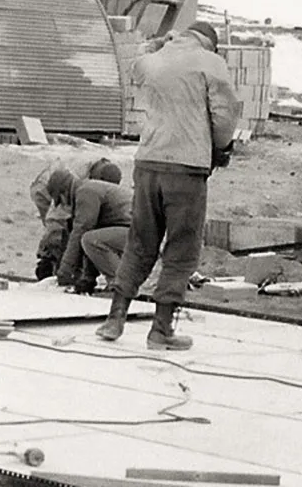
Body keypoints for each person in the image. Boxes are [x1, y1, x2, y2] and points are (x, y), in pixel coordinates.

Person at [98, 20, 240, 350]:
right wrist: (219, 148)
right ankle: (160, 330)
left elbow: (136, 61)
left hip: (147, 162)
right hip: (186, 168)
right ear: (210, 44)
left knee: (139, 242)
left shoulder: (155, 59)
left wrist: (159, 42)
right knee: (181, 249)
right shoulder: (211, 62)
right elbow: (225, 118)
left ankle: (114, 319)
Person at [45, 164, 133, 294]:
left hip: (140, 234)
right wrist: (88, 279)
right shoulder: (87, 189)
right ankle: (120, 283)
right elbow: (92, 240)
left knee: (90, 240)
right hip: (132, 232)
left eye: (61, 201)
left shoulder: (85, 192)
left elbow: (81, 232)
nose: (64, 206)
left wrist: (65, 270)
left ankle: (121, 285)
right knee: (92, 239)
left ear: (64, 193)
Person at [30, 157, 120, 280]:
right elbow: (63, 222)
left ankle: (77, 270)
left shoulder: (104, 174)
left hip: (59, 186)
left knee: (86, 233)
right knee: (60, 230)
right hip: (45, 188)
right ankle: (48, 259)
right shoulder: (76, 178)